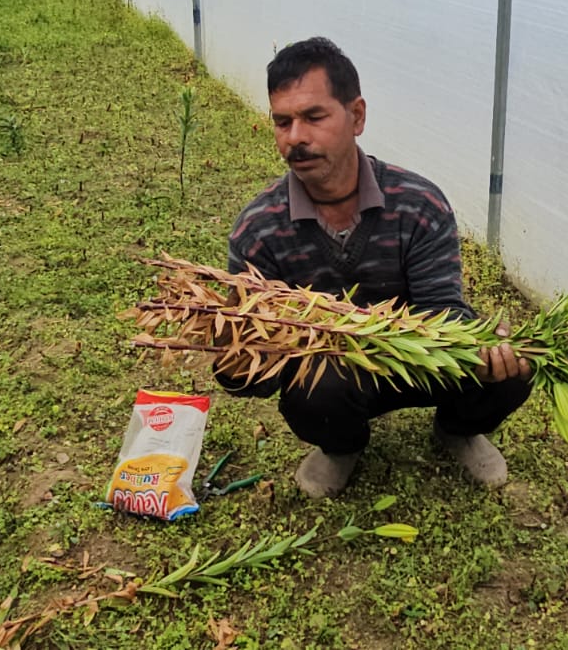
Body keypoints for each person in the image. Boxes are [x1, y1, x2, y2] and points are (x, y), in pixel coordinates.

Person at [215, 37, 533, 499]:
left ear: (357, 116)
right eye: (282, 122)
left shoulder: (418, 204)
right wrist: (235, 360)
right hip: (336, 377)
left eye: (313, 117)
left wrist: (483, 350)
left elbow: (442, 306)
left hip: (421, 359)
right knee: (314, 390)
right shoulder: (259, 230)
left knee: (517, 365)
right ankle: (340, 446)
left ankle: (458, 429)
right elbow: (252, 373)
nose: (295, 138)